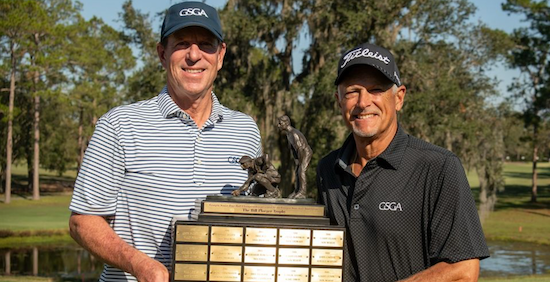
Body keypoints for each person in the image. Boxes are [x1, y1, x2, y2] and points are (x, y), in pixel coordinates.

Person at [68, 2, 261, 281]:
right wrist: (140, 265)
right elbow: (82, 221)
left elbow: (253, 220)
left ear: (220, 55)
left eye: (206, 44)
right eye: (182, 44)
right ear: (162, 53)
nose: (194, 55)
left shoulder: (246, 130)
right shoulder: (120, 124)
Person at [316, 42, 490, 281]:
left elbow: (463, 270)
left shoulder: (438, 166)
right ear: (339, 101)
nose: (363, 102)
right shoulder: (328, 169)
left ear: (398, 98)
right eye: (352, 91)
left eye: (376, 89)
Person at [277, 115, 313, 199]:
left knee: (301, 170)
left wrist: (300, 161)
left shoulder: (293, 134)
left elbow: (300, 148)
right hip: (299, 154)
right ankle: (297, 191)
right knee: (297, 171)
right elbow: (294, 150)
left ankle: (302, 192)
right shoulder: (288, 134)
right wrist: (296, 160)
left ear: (286, 123)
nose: (278, 125)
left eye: (280, 123)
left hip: (305, 153)